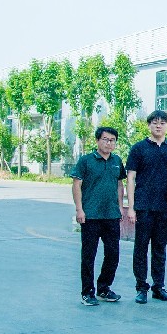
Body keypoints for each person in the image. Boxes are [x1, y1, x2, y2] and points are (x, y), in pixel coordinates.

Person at [126, 110, 167, 304]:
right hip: (144, 206)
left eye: (162, 123)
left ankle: (159, 287)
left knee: (160, 248)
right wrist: (131, 207)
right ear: (149, 125)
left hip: (165, 207)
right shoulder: (138, 148)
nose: (158, 126)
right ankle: (141, 287)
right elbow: (131, 178)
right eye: (155, 122)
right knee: (141, 248)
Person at [72, 126, 127, 306]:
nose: (109, 143)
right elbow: (76, 185)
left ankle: (104, 288)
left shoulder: (117, 161)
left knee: (113, 254)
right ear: (97, 140)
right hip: (91, 215)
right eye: (105, 139)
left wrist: (120, 207)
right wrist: (79, 209)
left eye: (112, 140)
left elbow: (119, 184)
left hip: (111, 215)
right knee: (89, 255)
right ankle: (87, 292)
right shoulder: (86, 161)